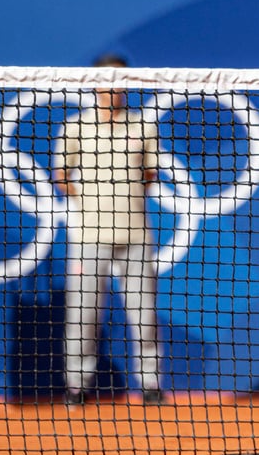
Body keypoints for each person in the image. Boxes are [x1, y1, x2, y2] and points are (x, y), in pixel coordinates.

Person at [55, 53, 164, 406]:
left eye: (120, 79)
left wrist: (125, 201)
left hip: (136, 238)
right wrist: (89, 200)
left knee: (145, 317)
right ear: (95, 83)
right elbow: (61, 176)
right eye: (108, 79)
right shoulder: (75, 127)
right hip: (89, 237)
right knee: (83, 317)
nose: (114, 86)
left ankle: (151, 386)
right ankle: (77, 387)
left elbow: (150, 175)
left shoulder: (144, 126)